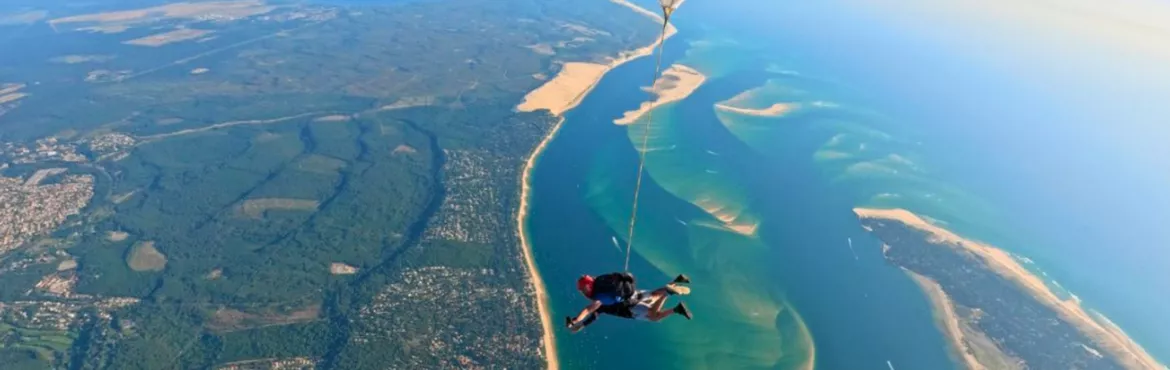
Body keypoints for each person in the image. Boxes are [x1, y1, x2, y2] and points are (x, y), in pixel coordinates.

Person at [566, 272, 692, 333]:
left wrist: (578, 322)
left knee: (654, 316)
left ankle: (673, 301)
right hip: (632, 293)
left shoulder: (599, 299)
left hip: (629, 309)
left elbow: (589, 312)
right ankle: (676, 281)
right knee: (654, 295)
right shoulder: (601, 282)